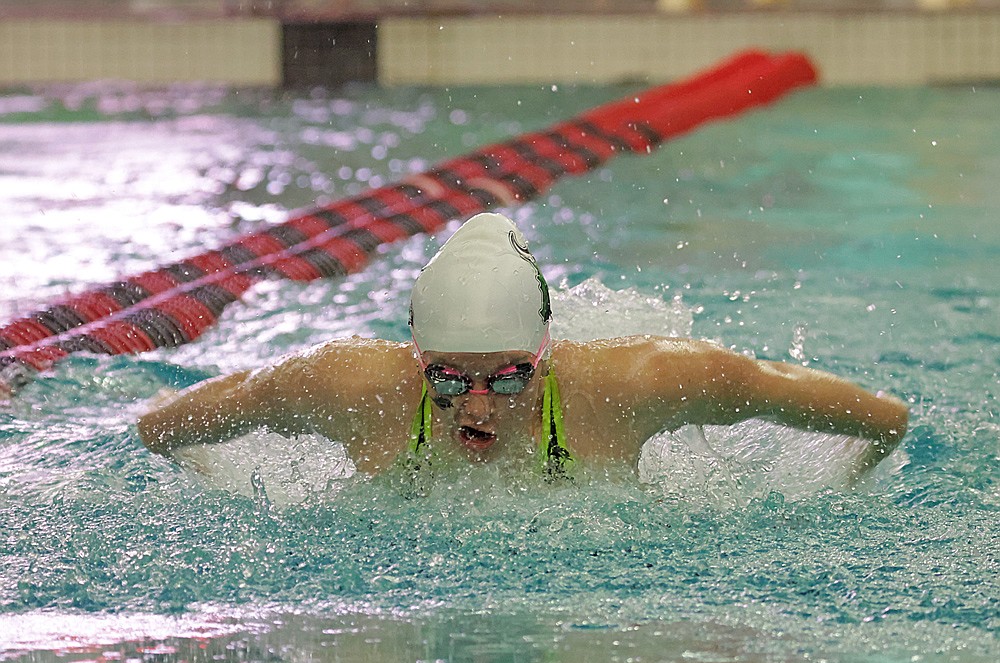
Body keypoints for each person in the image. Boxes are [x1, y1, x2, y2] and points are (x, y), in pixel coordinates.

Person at [138, 213, 908, 484]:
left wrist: (845, 483)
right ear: (415, 359)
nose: (475, 404)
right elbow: (165, 426)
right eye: (447, 379)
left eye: (506, 379)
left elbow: (884, 418)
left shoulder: (643, 382)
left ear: (544, 354)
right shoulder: (349, 385)